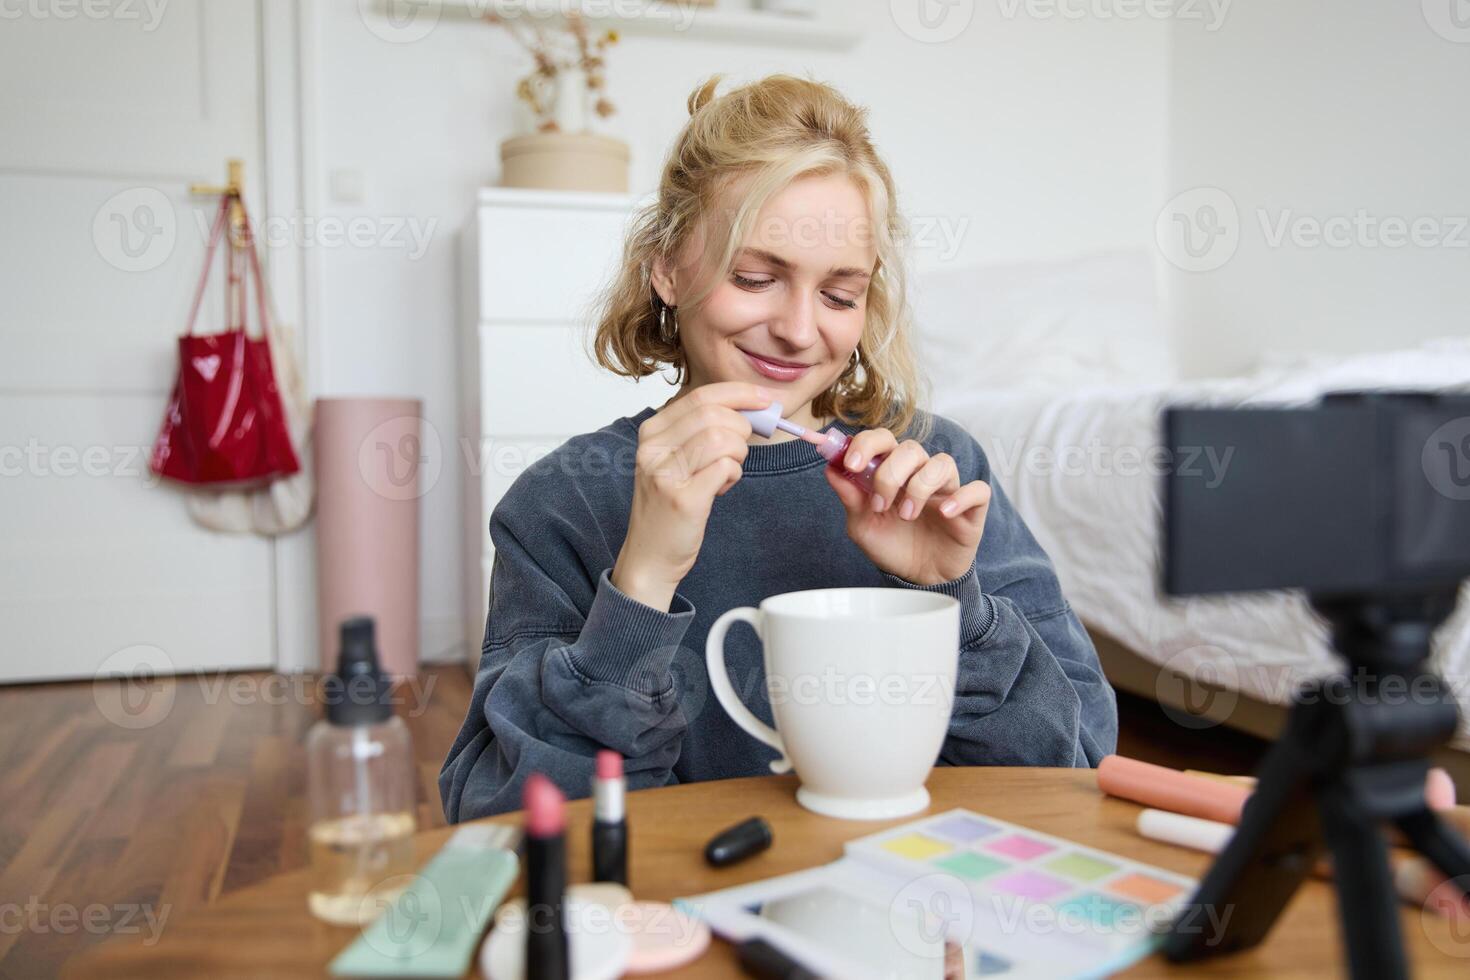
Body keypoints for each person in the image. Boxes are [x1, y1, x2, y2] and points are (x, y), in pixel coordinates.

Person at [441, 74, 1117, 821]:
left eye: (838, 295)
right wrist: (641, 581)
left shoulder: (932, 470)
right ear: (666, 267)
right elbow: (499, 814)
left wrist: (951, 601)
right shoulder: (564, 500)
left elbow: (1075, 768)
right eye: (757, 278)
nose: (799, 330)